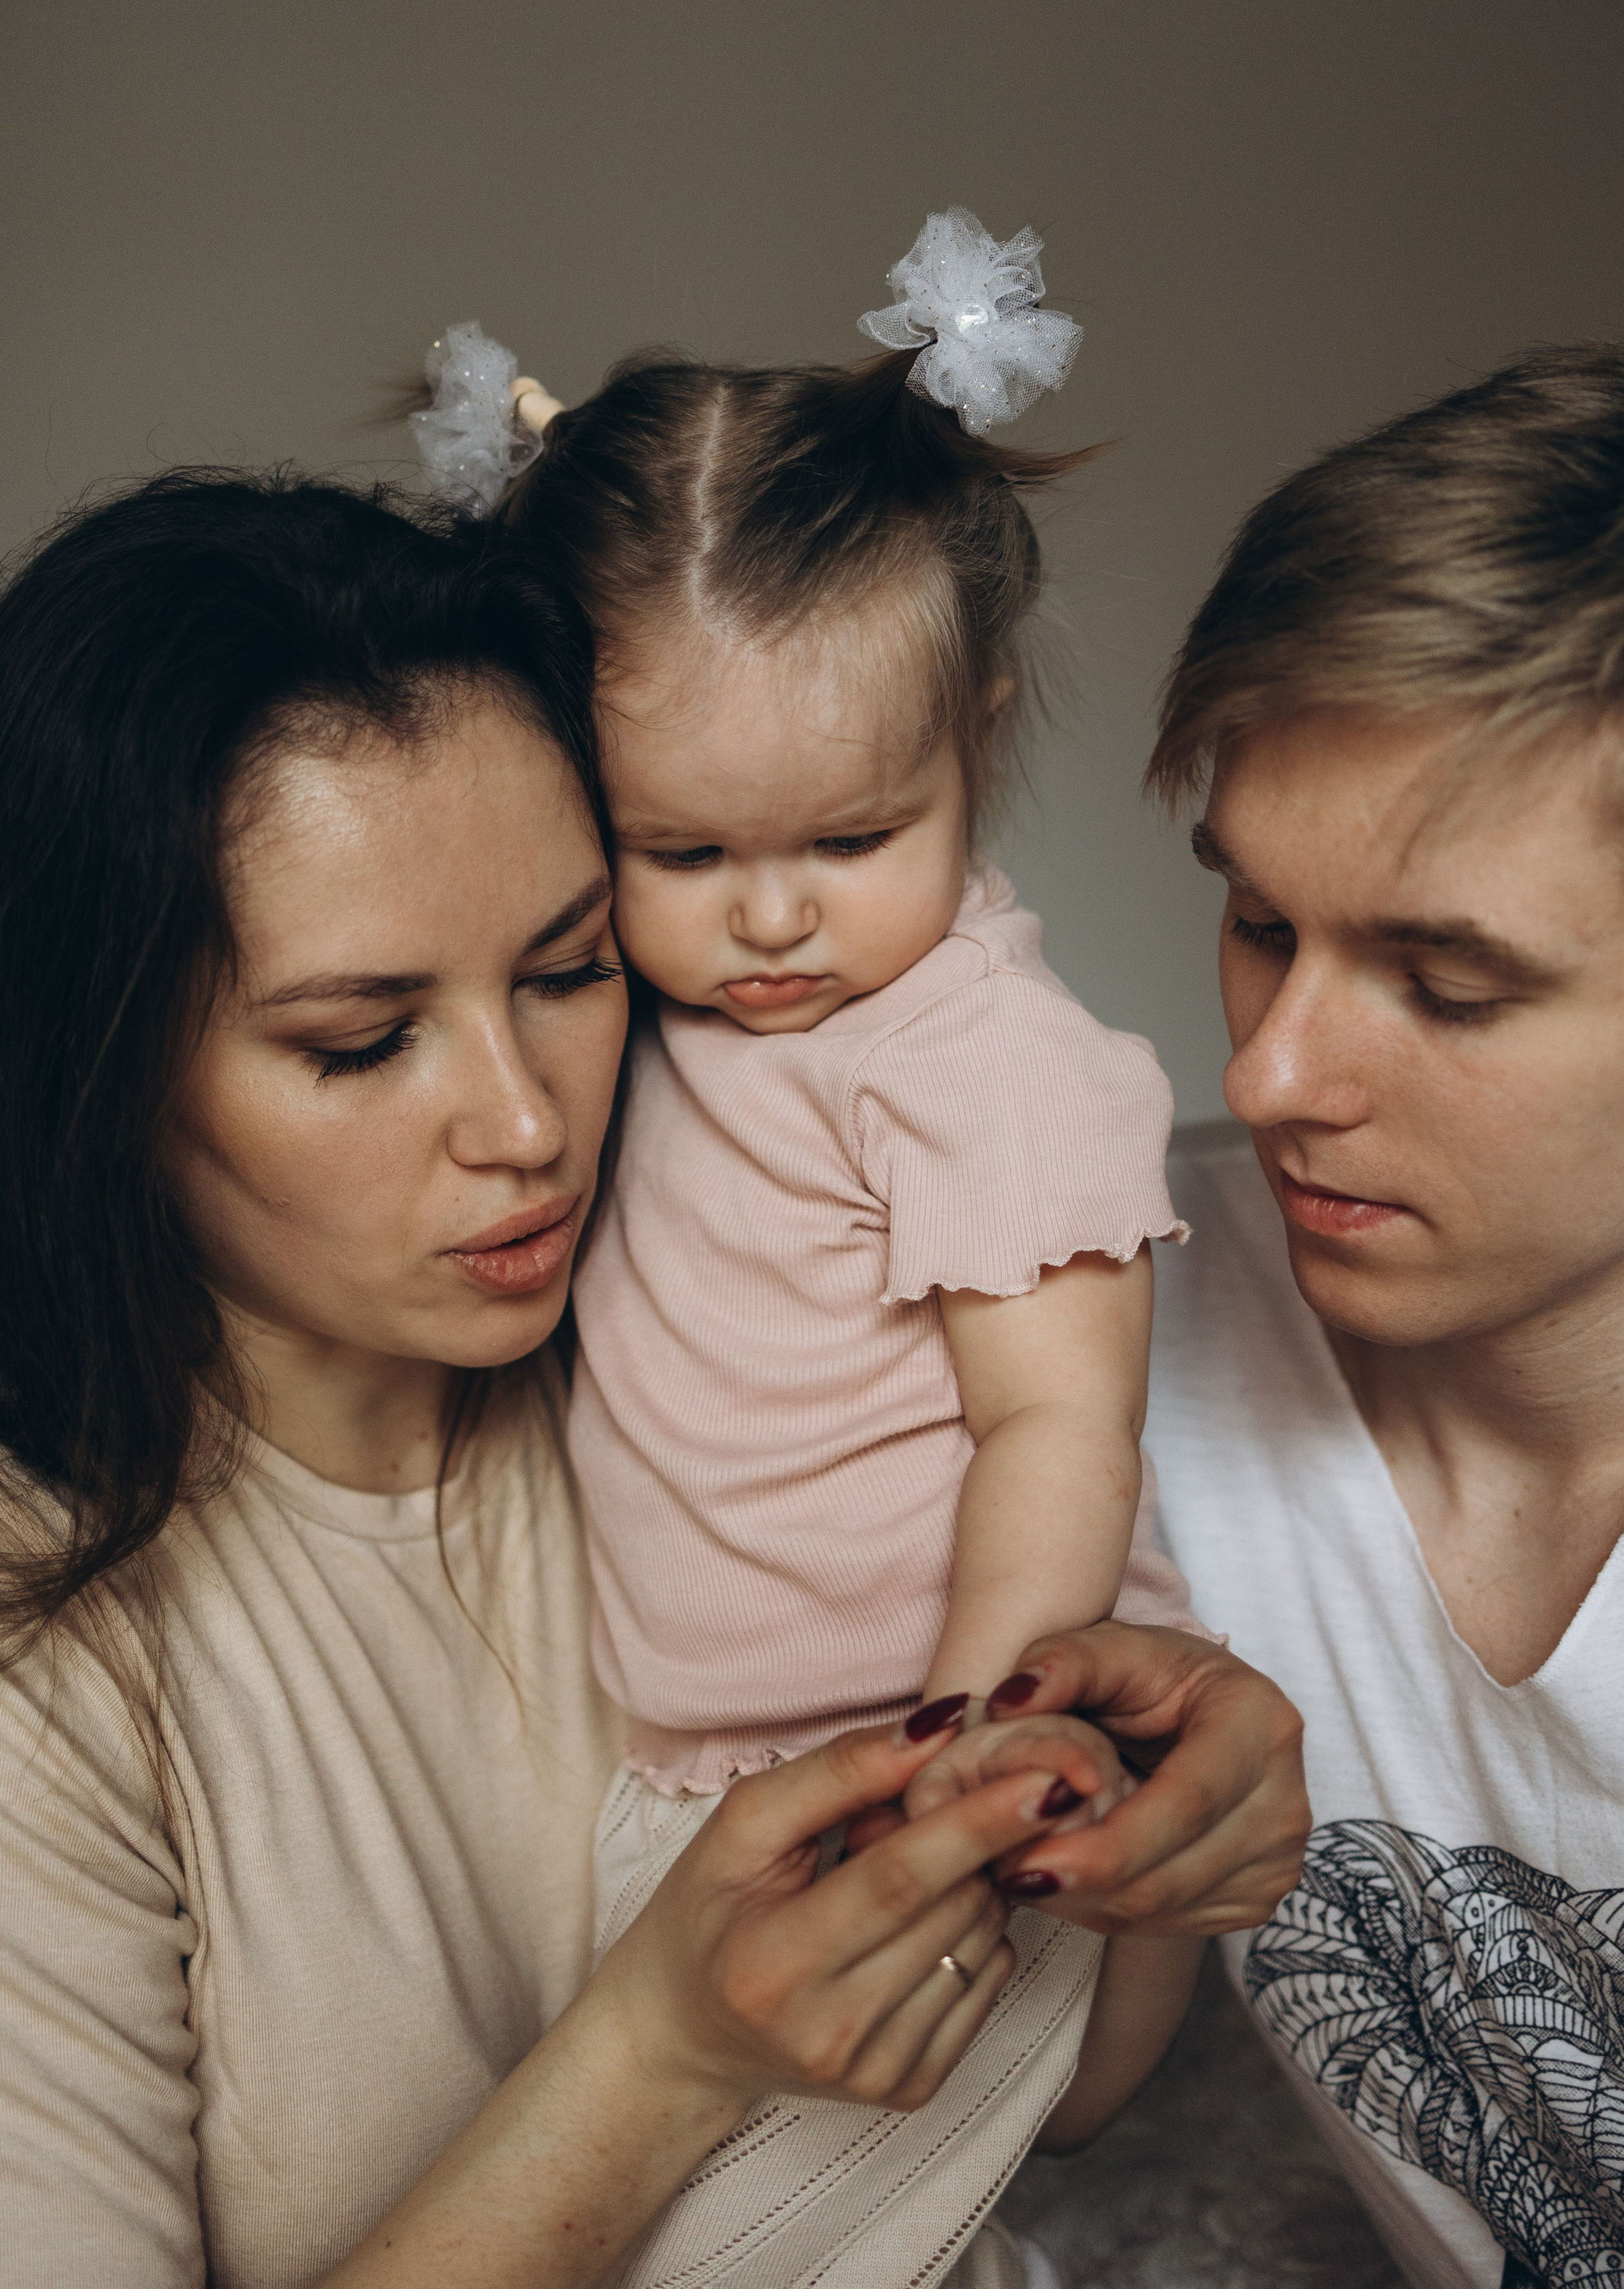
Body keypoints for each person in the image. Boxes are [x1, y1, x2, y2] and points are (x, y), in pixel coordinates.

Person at [0, 466, 1308, 2289]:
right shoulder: (52, 1673)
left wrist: (1149, 1837)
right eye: (364, 1042)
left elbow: (1055, 2104)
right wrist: (660, 2056)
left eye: (573, 967)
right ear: (98, 1070)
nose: (528, 1124)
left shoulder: (726, 1356)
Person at [407, 211, 1207, 2261]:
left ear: (977, 739)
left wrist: (970, 1750)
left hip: (932, 1741)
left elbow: (1058, 1438)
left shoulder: (980, 1056)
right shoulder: (628, 1017)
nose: (770, 921)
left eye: (853, 843)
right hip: (704, 1757)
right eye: (683, 851)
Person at [1018, 339, 1624, 2288]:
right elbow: (1056, 2098)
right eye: (1259, 923)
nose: (1266, 1077)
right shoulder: (1091, 1342)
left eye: (1448, 981)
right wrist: (1153, 1855)